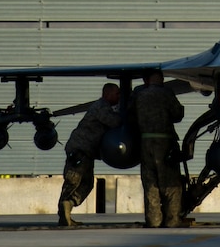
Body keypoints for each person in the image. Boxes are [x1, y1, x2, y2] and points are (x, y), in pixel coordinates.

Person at [57, 83, 122, 227]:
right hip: (80, 149)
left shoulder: (103, 106)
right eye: (117, 94)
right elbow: (114, 122)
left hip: (85, 150)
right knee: (73, 181)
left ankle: (66, 209)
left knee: (86, 184)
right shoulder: (101, 107)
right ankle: (65, 210)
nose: (119, 96)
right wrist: (125, 113)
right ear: (107, 94)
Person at [133, 70, 187, 227]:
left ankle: (153, 220)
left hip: (145, 142)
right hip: (165, 142)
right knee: (170, 182)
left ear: (146, 79)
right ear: (161, 79)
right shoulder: (166, 93)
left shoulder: (139, 95)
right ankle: (172, 220)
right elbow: (177, 114)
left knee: (150, 182)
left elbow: (130, 115)